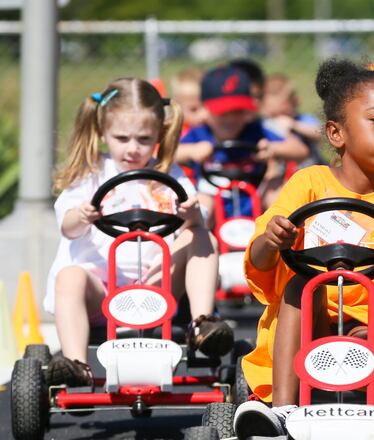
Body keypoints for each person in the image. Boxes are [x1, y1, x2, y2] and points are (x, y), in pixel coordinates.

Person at [232, 59, 374, 440]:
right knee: (302, 285)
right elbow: (258, 260)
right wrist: (272, 240)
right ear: (337, 133)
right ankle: (282, 412)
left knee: (371, 343)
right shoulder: (308, 183)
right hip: (306, 320)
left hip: (373, 318)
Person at [44, 78, 233, 387]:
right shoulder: (91, 174)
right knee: (69, 276)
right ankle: (77, 365)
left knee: (201, 236)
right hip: (102, 289)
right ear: (103, 132)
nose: (132, 148)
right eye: (122, 138)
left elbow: (197, 219)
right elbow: (67, 227)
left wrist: (191, 214)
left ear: (159, 134)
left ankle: (202, 324)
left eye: (144, 139)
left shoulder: (169, 174)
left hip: (156, 284)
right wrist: (82, 215)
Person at [176, 65, 310, 222]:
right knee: (200, 201)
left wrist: (272, 149)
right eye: (223, 112)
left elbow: (301, 150)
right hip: (212, 211)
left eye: (238, 111)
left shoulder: (256, 131)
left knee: (276, 190)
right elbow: (165, 154)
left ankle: (289, 239)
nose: (231, 119)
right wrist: (191, 151)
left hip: (256, 206)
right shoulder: (199, 134)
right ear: (205, 109)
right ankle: (192, 242)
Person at [259, 73, 324, 207]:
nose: (297, 101)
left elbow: (320, 133)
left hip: (311, 170)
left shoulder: (302, 119)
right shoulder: (266, 125)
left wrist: (294, 125)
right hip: (282, 175)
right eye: (274, 114)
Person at [170, 66, 207, 136]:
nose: (203, 115)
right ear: (178, 109)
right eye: (194, 109)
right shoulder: (177, 132)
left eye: (206, 107)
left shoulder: (214, 127)